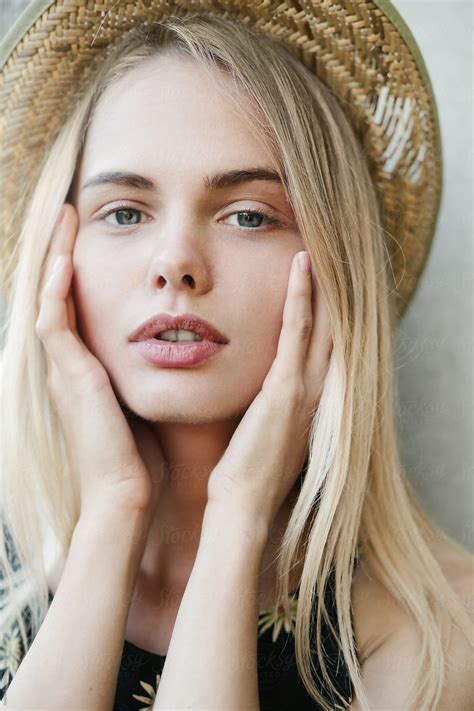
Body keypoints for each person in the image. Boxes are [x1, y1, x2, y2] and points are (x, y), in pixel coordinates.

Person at [0, 3, 472, 710]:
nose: (175, 263)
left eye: (248, 214)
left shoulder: (438, 629)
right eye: (125, 211)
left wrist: (239, 516)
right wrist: (111, 509)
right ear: (57, 257)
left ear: (336, 268)